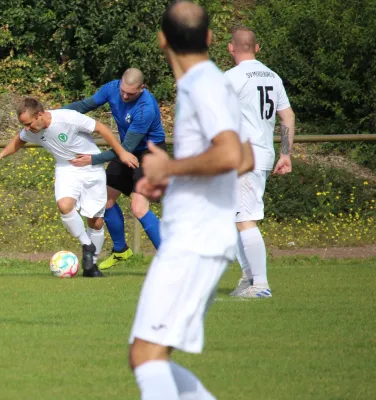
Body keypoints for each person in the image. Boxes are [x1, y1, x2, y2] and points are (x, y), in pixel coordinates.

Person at [128, 2, 254, 399]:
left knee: (147, 355)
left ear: (162, 39)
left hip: (196, 239)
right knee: (145, 355)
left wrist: (170, 169)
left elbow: (232, 155)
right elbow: (246, 156)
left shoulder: (203, 84)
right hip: (196, 236)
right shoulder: (211, 82)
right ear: (212, 38)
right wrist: (174, 179)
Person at [0, 97, 138, 278]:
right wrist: (1, 154)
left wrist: (121, 153)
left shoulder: (68, 118)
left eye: (28, 124)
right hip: (66, 168)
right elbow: (19, 140)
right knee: (64, 206)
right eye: (23, 125)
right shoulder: (32, 129)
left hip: (91, 168)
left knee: (95, 221)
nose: (26, 129)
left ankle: (91, 266)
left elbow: (101, 128)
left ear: (40, 115)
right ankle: (86, 244)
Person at [63, 68, 166, 270]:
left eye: (131, 93)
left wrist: (93, 159)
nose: (125, 96)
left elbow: (126, 148)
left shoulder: (146, 108)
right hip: (125, 150)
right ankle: (121, 250)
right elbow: (85, 105)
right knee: (105, 199)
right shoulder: (111, 88)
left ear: (142, 88)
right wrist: (55, 115)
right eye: (123, 92)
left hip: (150, 154)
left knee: (138, 207)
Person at [225, 27, 296, 298]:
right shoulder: (273, 77)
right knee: (235, 218)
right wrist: (286, 154)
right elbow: (287, 116)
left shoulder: (231, 78)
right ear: (257, 48)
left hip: (243, 157)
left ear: (231, 48)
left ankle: (261, 284)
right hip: (263, 154)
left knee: (245, 219)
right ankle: (249, 277)